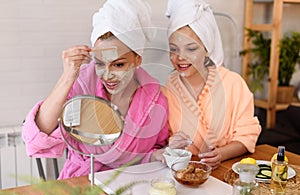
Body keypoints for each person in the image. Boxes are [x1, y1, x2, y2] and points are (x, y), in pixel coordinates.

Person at [22, 0, 168, 179]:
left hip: (129, 182)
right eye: (99, 63)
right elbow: (37, 140)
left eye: (118, 64)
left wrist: (155, 155)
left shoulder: (155, 100)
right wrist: (68, 77)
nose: (107, 75)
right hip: (82, 181)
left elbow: (156, 147)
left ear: (138, 59)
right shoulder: (82, 84)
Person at [162, 0, 261, 169]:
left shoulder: (233, 84)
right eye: (174, 49)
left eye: (191, 49)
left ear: (207, 48)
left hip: (227, 172)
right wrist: (171, 145)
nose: (180, 57)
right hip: (183, 174)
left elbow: (247, 135)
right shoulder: (166, 91)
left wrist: (221, 154)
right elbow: (161, 142)